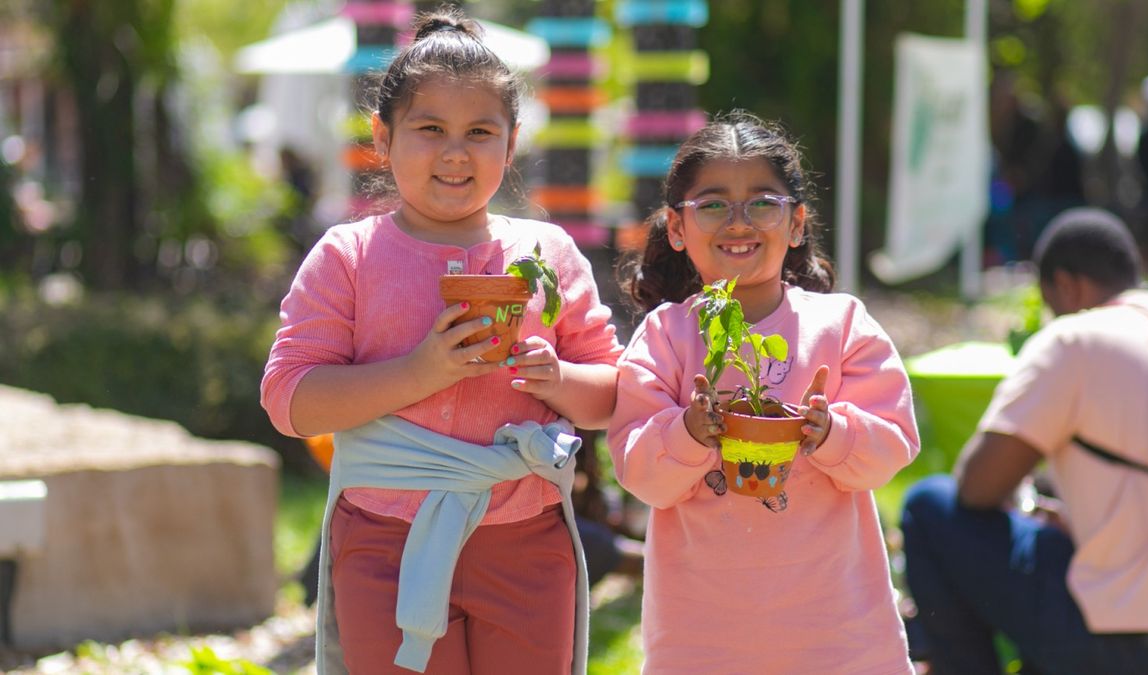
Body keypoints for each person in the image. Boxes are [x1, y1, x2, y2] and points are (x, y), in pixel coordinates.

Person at [259, 8, 622, 674]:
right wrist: (421, 371)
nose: (455, 153)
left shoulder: (548, 251)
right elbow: (290, 400)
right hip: (383, 539)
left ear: (511, 144)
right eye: (430, 129)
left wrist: (558, 381)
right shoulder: (349, 255)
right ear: (383, 136)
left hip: (527, 538)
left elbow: (614, 396)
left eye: (480, 132)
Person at [608, 111, 921, 674]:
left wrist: (835, 433)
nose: (737, 221)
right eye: (712, 204)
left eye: (761, 203)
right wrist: (688, 432)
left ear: (796, 223)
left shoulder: (843, 325)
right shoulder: (664, 337)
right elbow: (640, 474)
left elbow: (892, 445)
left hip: (840, 640)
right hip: (701, 644)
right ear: (677, 228)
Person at [901, 208, 1148, 674]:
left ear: (1066, 286)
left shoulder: (1074, 338)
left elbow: (977, 487)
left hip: (1121, 638)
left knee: (929, 505)